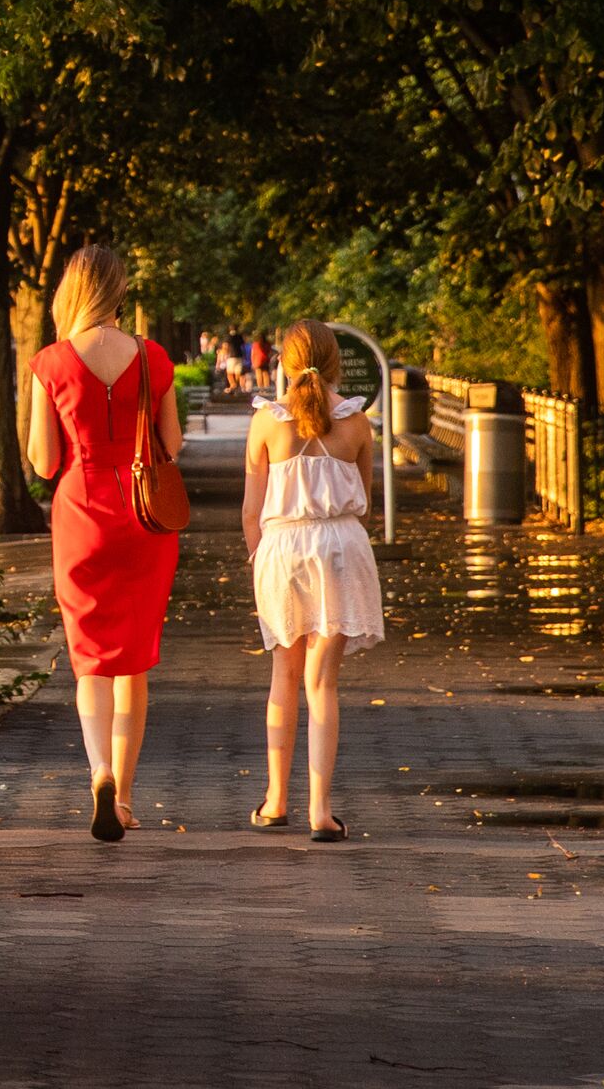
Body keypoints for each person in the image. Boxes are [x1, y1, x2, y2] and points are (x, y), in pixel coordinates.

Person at [22, 245, 182, 842]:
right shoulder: (153, 356)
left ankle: (98, 772)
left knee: (90, 658)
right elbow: (172, 443)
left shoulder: (51, 362)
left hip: (81, 511)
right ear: (119, 290)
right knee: (134, 661)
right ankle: (127, 795)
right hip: (143, 518)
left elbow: (43, 461)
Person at [243, 318, 385, 840]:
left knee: (284, 675)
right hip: (341, 545)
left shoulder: (266, 423)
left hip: (282, 548)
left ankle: (276, 800)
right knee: (322, 683)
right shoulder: (357, 423)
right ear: (334, 362)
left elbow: (250, 510)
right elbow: (365, 502)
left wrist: (259, 557)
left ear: (282, 361)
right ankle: (320, 812)